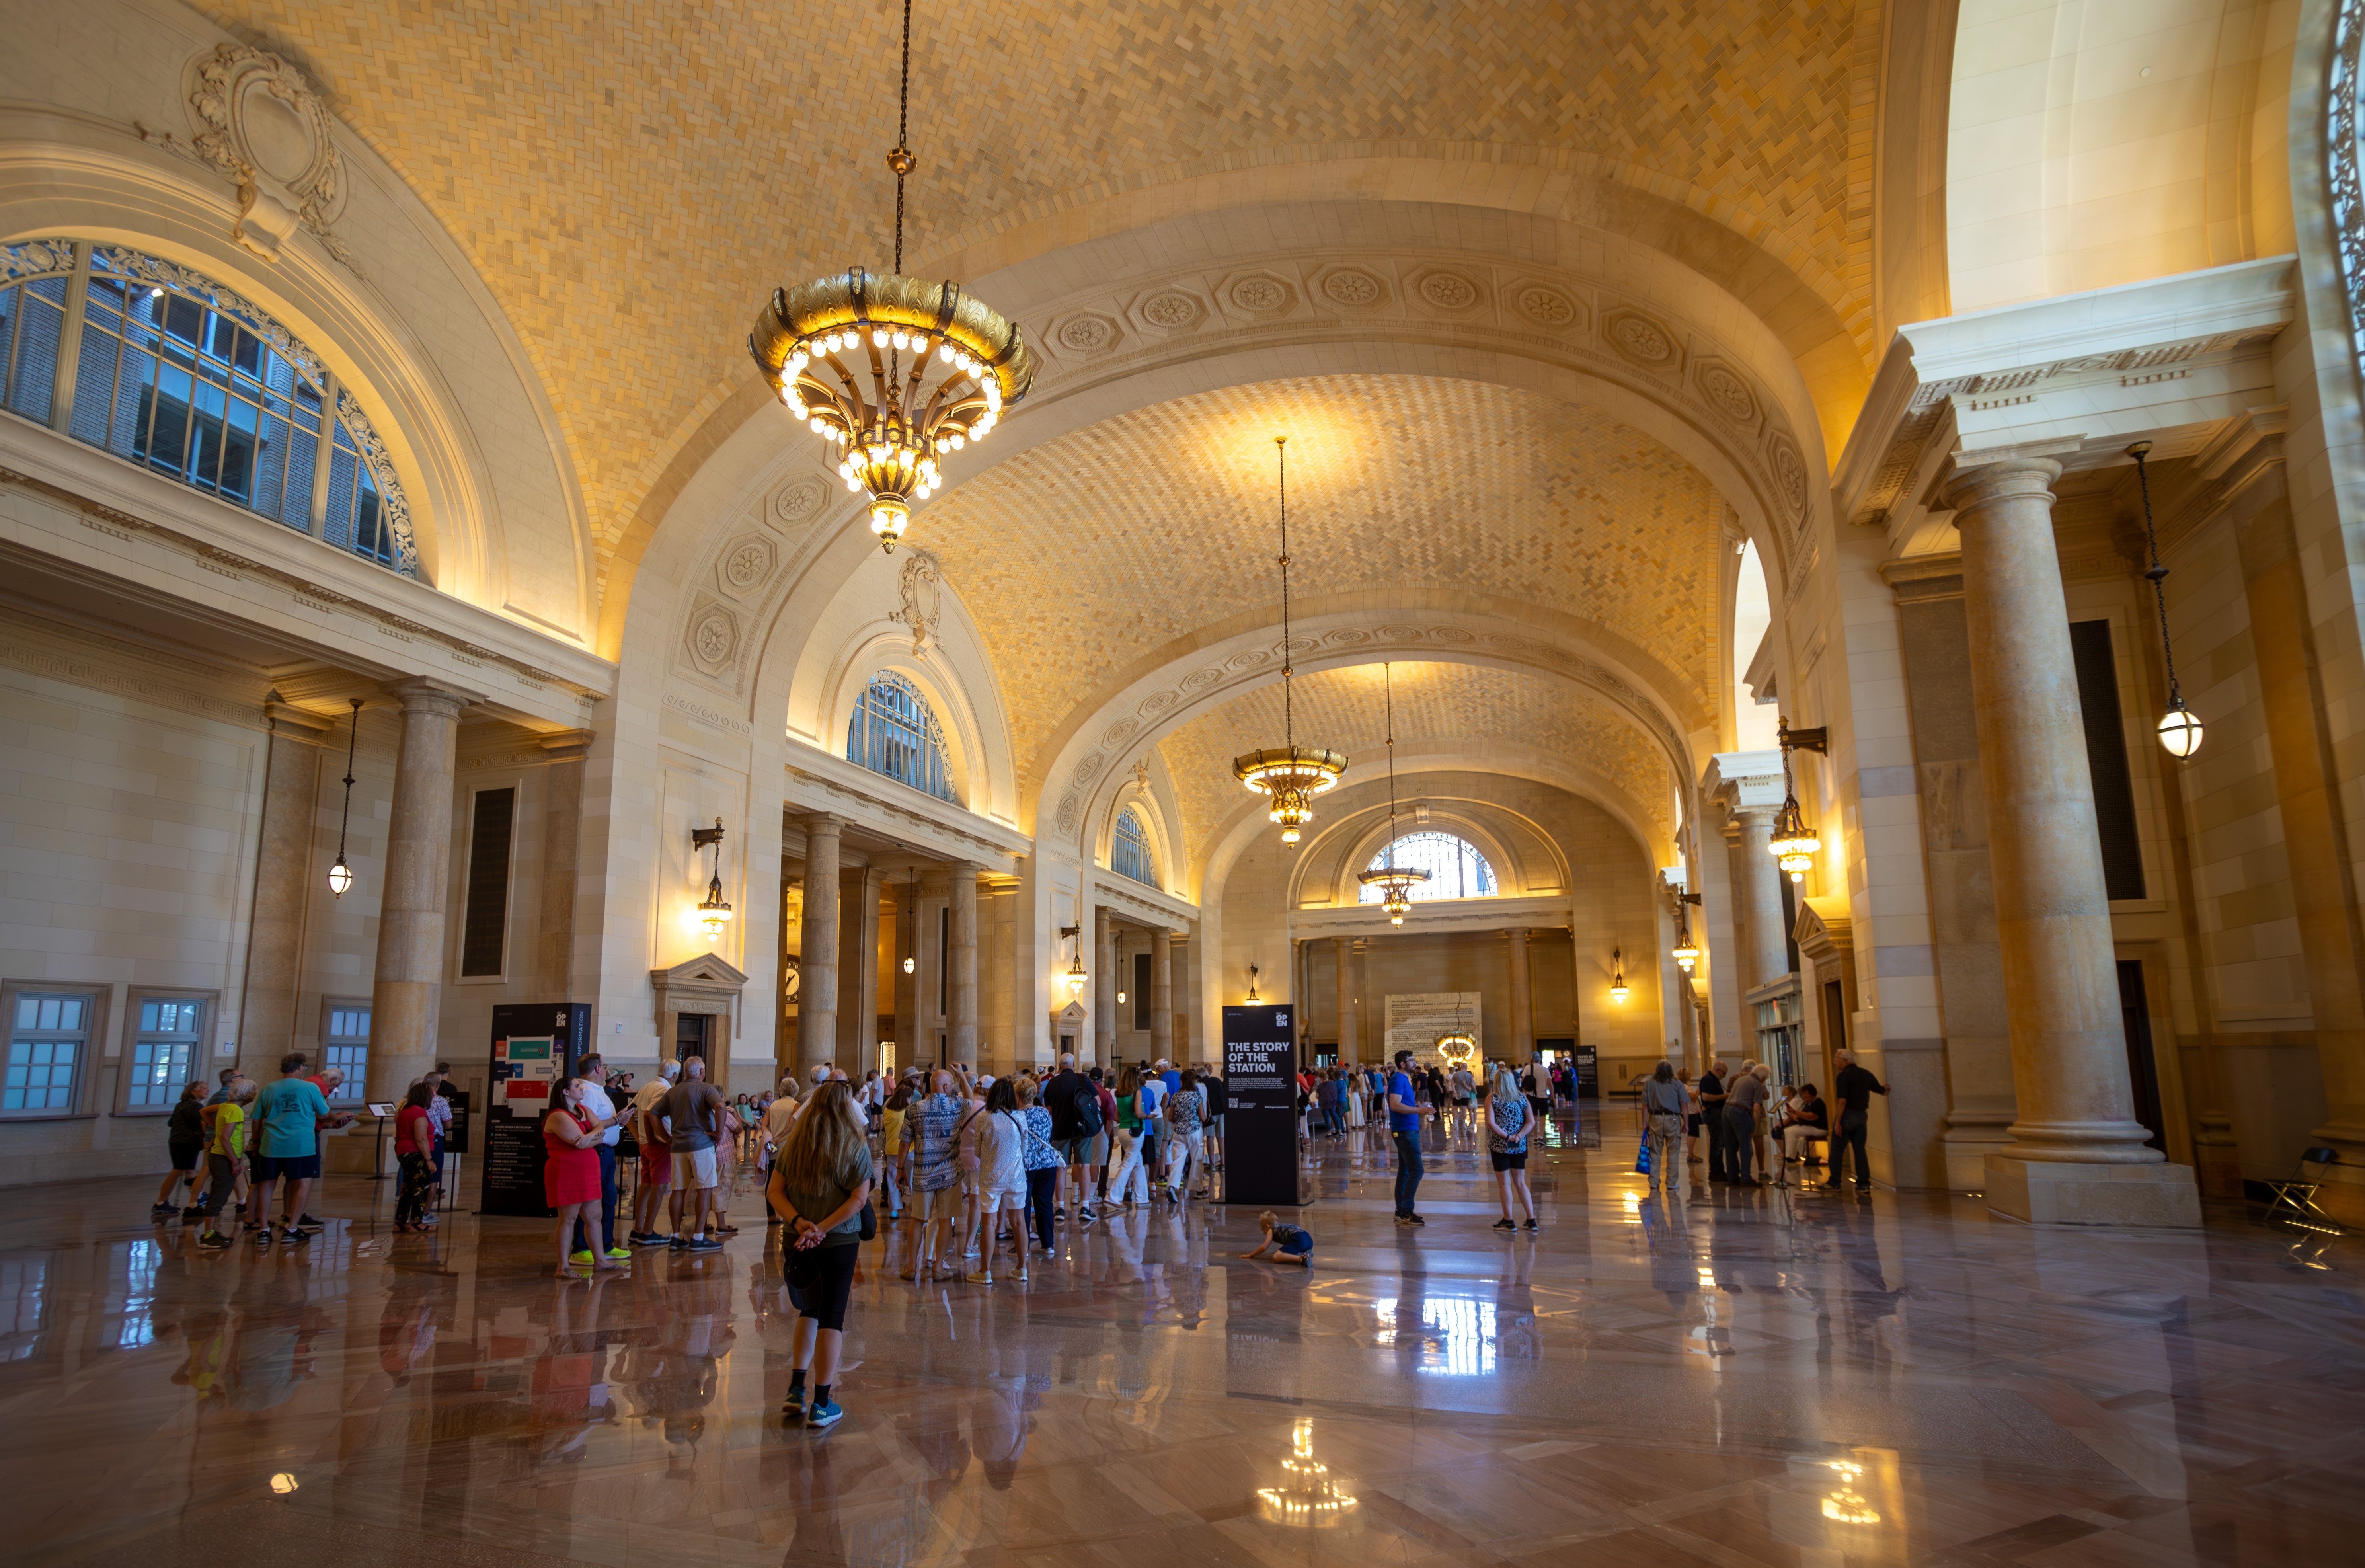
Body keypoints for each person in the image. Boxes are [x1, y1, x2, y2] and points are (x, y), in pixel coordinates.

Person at [770, 1078, 873, 1430]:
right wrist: (823, 1228)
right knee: (832, 1318)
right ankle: (822, 1403)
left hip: (798, 1239)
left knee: (808, 1310)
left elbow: (774, 1192)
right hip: (838, 1241)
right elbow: (858, 1201)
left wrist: (801, 1223)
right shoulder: (855, 1147)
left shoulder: (794, 1145)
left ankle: (796, 1390)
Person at [247, 1053, 345, 1245]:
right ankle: (292, 1228)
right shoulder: (310, 1088)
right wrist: (339, 1117)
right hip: (301, 1145)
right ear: (300, 1068)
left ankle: (264, 1231)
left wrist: (257, 1142)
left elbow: (257, 1120)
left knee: (267, 1185)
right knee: (304, 1183)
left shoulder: (269, 1088)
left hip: (271, 1144)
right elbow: (324, 1115)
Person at [543, 1075, 621, 1280]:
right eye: (578, 1086)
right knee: (568, 1219)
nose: (582, 1089)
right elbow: (579, 1141)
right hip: (567, 1172)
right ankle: (563, 1266)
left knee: (595, 1217)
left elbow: (601, 1131)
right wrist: (590, 1137)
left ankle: (601, 1262)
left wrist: (590, 1137)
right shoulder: (558, 1116)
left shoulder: (584, 1111)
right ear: (566, 1092)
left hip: (589, 1170)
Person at [901, 1069, 968, 1281]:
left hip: (923, 1173)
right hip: (950, 1174)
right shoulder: (957, 1106)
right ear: (948, 1087)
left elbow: (904, 1143)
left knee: (918, 1220)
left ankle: (913, 1267)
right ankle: (939, 1267)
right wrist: (964, 1079)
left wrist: (899, 1169)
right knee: (945, 1220)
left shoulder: (914, 1109)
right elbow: (972, 1100)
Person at [567, 1053, 630, 1267]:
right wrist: (616, 1120)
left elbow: (604, 1123)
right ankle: (582, 1248)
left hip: (607, 1152)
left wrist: (619, 1122)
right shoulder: (587, 1093)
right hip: (597, 1151)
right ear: (597, 1069)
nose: (605, 1069)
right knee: (590, 1202)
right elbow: (588, 1126)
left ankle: (605, 1246)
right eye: (604, 1066)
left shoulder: (597, 1090)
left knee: (608, 1200)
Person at [968, 1079, 1029, 1284]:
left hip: (990, 1177)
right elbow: (1024, 1149)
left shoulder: (985, 1118)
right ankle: (1022, 1269)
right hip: (1016, 1177)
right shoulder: (1020, 1116)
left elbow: (978, 1150)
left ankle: (985, 1271)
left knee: (989, 1223)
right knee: (1019, 1221)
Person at [662, 1057, 727, 1251]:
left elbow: (652, 1114)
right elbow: (721, 1106)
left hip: (678, 1146)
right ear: (701, 1072)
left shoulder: (673, 1091)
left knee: (678, 1190)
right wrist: (719, 1133)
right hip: (701, 1145)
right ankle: (698, 1237)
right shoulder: (706, 1089)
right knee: (705, 1188)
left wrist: (664, 1137)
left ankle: (676, 1236)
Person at [193, 1078, 253, 1249]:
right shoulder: (236, 1110)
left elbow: (204, 1112)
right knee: (219, 1196)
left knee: (217, 1193)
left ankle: (210, 1233)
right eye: (254, 1091)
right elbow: (226, 1137)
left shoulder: (226, 1106)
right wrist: (235, 1162)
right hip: (224, 1157)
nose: (255, 1094)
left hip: (217, 1155)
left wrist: (217, 1131)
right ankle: (208, 1236)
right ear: (247, 1093)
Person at [628, 1059, 682, 1246]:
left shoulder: (647, 1087)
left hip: (645, 1144)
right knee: (659, 1187)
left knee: (647, 1185)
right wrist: (664, 1138)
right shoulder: (663, 1090)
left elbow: (627, 1114)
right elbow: (650, 1114)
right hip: (658, 1145)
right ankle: (648, 1232)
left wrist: (638, 1137)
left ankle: (638, 1229)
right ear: (675, 1075)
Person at [1041, 1053, 1099, 1223]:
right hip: (1083, 1130)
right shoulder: (1083, 1079)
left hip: (1060, 1130)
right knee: (1084, 1167)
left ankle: (1059, 1209)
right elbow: (1097, 1102)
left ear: (1060, 1065)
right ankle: (1085, 1208)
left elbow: (1049, 1109)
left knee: (1061, 1169)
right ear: (1074, 1064)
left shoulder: (1052, 1083)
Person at [1484, 1065, 1538, 1229]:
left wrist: (1507, 1136)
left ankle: (1508, 1221)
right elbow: (1531, 1122)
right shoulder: (1522, 1098)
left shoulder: (1492, 1098)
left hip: (1500, 1146)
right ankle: (1531, 1220)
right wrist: (1519, 1136)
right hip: (1518, 1147)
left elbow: (1491, 1123)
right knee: (1521, 1183)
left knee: (1505, 1184)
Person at [1015, 1076, 1061, 1255]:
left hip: (1026, 1166)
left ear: (1018, 1096)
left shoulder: (1017, 1116)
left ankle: (1023, 1247)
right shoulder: (1044, 1112)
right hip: (1047, 1164)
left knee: (1024, 1206)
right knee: (1045, 1205)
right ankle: (1048, 1245)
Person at [1831, 1051, 1887, 1188]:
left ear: (1844, 1060)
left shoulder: (1843, 1076)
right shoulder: (1866, 1073)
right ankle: (1864, 1183)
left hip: (1848, 1116)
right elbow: (1882, 1091)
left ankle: (1834, 1183)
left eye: (1837, 1059)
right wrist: (1887, 1088)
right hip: (1862, 1116)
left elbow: (1842, 1101)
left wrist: (1838, 1122)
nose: (1835, 1062)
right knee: (1860, 1150)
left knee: (1837, 1149)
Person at [154, 1080, 208, 1220]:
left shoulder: (181, 1105)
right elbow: (203, 1125)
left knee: (188, 1170)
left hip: (176, 1141)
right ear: (194, 1091)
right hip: (187, 1142)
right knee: (178, 1170)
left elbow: (171, 1123)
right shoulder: (196, 1106)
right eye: (204, 1088)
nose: (207, 1090)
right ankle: (161, 1202)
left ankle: (197, 1198)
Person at [392, 1082, 440, 1232]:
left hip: (403, 1152)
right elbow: (421, 1138)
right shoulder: (419, 1113)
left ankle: (401, 1221)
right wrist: (429, 1160)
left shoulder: (404, 1111)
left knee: (407, 1187)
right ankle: (417, 1222)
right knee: (420, 1187)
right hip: (415, 1154)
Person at [1641, 1061, 1689, 1196]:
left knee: (1655, 1153)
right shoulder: (1678, 1084)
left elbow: (1645, 1106)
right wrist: (1686, 1123)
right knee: (1673, 1152)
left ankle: (1654, 1182)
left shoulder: (1649, 1084)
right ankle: (1672, 1183)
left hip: (1655, 1119)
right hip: (1673, 1120)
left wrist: (1644, 1123)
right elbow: (1684, 1106)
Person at [1387, 1050, 1425, 1224]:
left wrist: (1418, 1106)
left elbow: (1403, 1103)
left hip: (1408, 1128)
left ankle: (1401, 1210)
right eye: (1411, 1060)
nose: (1414, 1063)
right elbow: (1395, 1105)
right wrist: (1418, 1110)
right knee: (1417, 1170)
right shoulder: (1397, 1079)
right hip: (1404, 1131)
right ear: (1403, 1064)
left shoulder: (1404, 1080)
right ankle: (1407, 1212)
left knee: (1406, 1170)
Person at [1726, 1060, 1768, 1184]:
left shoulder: (1737, 1079)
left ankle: (1733, 1177)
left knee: (1732, 1147)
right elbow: (1757, 1106)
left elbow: (1729, 1093)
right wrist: (1754, 1126)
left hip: (1729, 1110)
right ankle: (1747, 1177)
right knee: (1747, 1147)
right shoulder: (1757, 1084)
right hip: (1743, 1113)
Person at [1780, 1082, 1830, 1167]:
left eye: (1806, 1094)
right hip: (1810, 1127)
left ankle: (1791, 1157)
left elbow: (1812, 1117)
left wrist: (1796, 1113)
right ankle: (1789, 1156)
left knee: (1793, 1132)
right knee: (1788, 1131)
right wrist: (1795, 1115)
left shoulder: (1818, 1103)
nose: (1804, 1097)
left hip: (1818, 1129)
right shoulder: (1808, 1104)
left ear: (1812, 1093)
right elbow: (1801, 1116)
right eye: (1802, 1095)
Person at [1240, 1210, 1313, 1267]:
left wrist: (1250, 1255)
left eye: (1263, 1232)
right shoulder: (1281, 1226)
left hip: (1299, 1239)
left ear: (1267, 1227)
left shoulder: (1271, 1230)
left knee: (1276, 1257)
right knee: (1283, 1252)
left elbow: (1264, 1247)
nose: (1265, 1234)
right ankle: (1305, 1253)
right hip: (1308, 1239)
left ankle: (1302, 1259)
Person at [1698, 1060, 1731, 1181]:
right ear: (1718, 1071)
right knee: (1717, 1143)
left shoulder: (1713, 1080)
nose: (1724, 1076)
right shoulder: (1708, 1080)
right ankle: (1716, 1172)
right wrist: (1725, 1096)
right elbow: (1706, 1097)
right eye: (1724, 1074)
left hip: (1717, 1113)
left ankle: (1719, 1170)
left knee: (1719, 1142)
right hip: (1713, 1114)